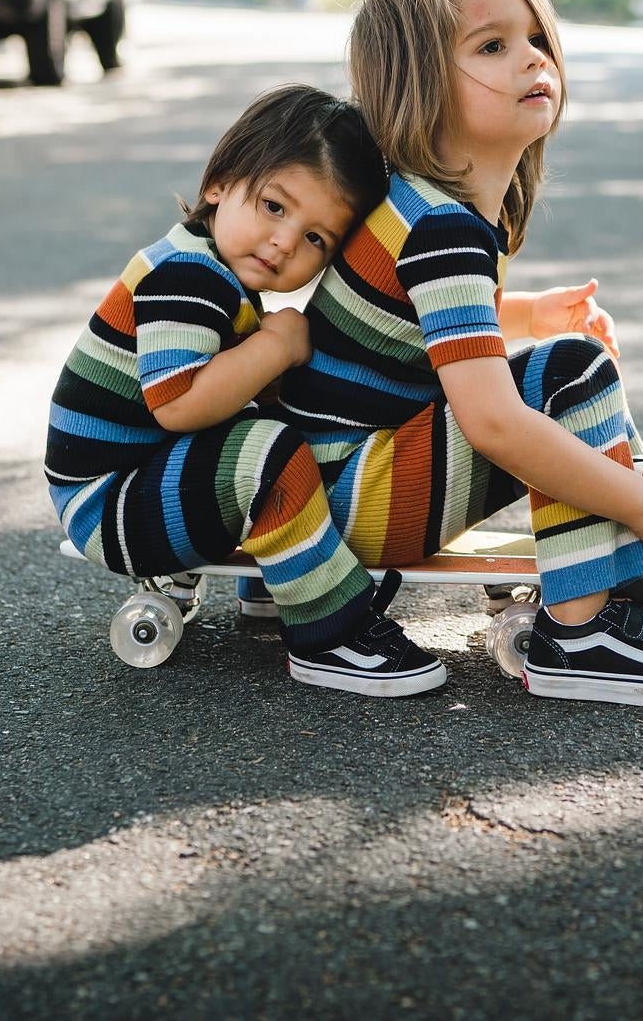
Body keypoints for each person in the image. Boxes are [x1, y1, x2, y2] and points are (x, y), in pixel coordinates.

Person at [277, 0, 643, 708]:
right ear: (420, 87)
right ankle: (584, 632)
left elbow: (409, 325)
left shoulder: (424, 211)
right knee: (568, 375)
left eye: (536, 39)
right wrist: (639, 503)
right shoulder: (443, 228)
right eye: (493, 46)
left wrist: (523, 311)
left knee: (549, 360)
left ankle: (600, 585)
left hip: (330, 486)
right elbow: (493, 421)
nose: (532, 58)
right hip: (347, 499)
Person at [43, 84, 452, 695]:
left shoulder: (217, 271)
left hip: (145, 477)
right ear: (220, 182)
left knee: (271, 426)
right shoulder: (186, 274)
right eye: (274, 207)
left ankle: (272, 584)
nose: (286, 241)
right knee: (263, 449)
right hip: (108, 502)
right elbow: (178, 403)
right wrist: (277, 347)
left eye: (318, 238)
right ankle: (328, 630)